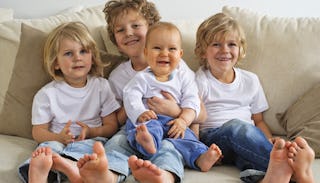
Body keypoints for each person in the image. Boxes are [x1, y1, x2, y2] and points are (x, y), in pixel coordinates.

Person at [75, 0, 204, 182]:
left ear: (152, 29)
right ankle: (108, 175)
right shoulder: (118, 76)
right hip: (135, 129)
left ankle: (163, 176)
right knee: (117, 143)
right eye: (120, 30)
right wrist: (133, 105)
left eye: (135, 25)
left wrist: (175, 111)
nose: (128, 33)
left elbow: (202, 113)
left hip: (171, 127)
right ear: (115, 41)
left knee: (169, 147)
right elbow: (114, 121)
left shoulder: (176, 65)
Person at [17, 21, 120, 183]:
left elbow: (111, 125)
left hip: (90, 141)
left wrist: (92, 132)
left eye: (83, 51)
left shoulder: (101, 86)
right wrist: (59, 137)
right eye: (68, 53)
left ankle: (68, 167)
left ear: (92, 57)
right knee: (46, 152)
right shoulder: (47, 94)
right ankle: (39, 174)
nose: (77, 58)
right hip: (57, 142)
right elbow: (38, 132)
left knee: (94, 153)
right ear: (56, 63)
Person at [123, 21, 222, 171]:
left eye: (172, 49)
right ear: (146, 52)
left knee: (187, 138)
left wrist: (183, 120)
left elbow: (192, 102)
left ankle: (201, 159)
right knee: (146, 129)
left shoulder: (184, 78)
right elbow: (131, 96)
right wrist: (140, 113)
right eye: (157, 48)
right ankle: (148, 143)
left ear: (180, 54)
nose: (164, 53)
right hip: (149, 118)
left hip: (174, 122)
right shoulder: (142, 78)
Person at [194, 12, 274, 182]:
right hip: (213, 140)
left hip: (243, 141)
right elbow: (193, 120)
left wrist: (266, 140)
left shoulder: (250, 80)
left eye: (231, 44)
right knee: (235, 127)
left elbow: (258, 121)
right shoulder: (199, 81)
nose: (225, 50)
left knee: (248, 160)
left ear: (240, 49)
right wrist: (199, 151)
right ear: (202, 52)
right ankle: (284, 164)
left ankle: (266, 176)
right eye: (216, 44)